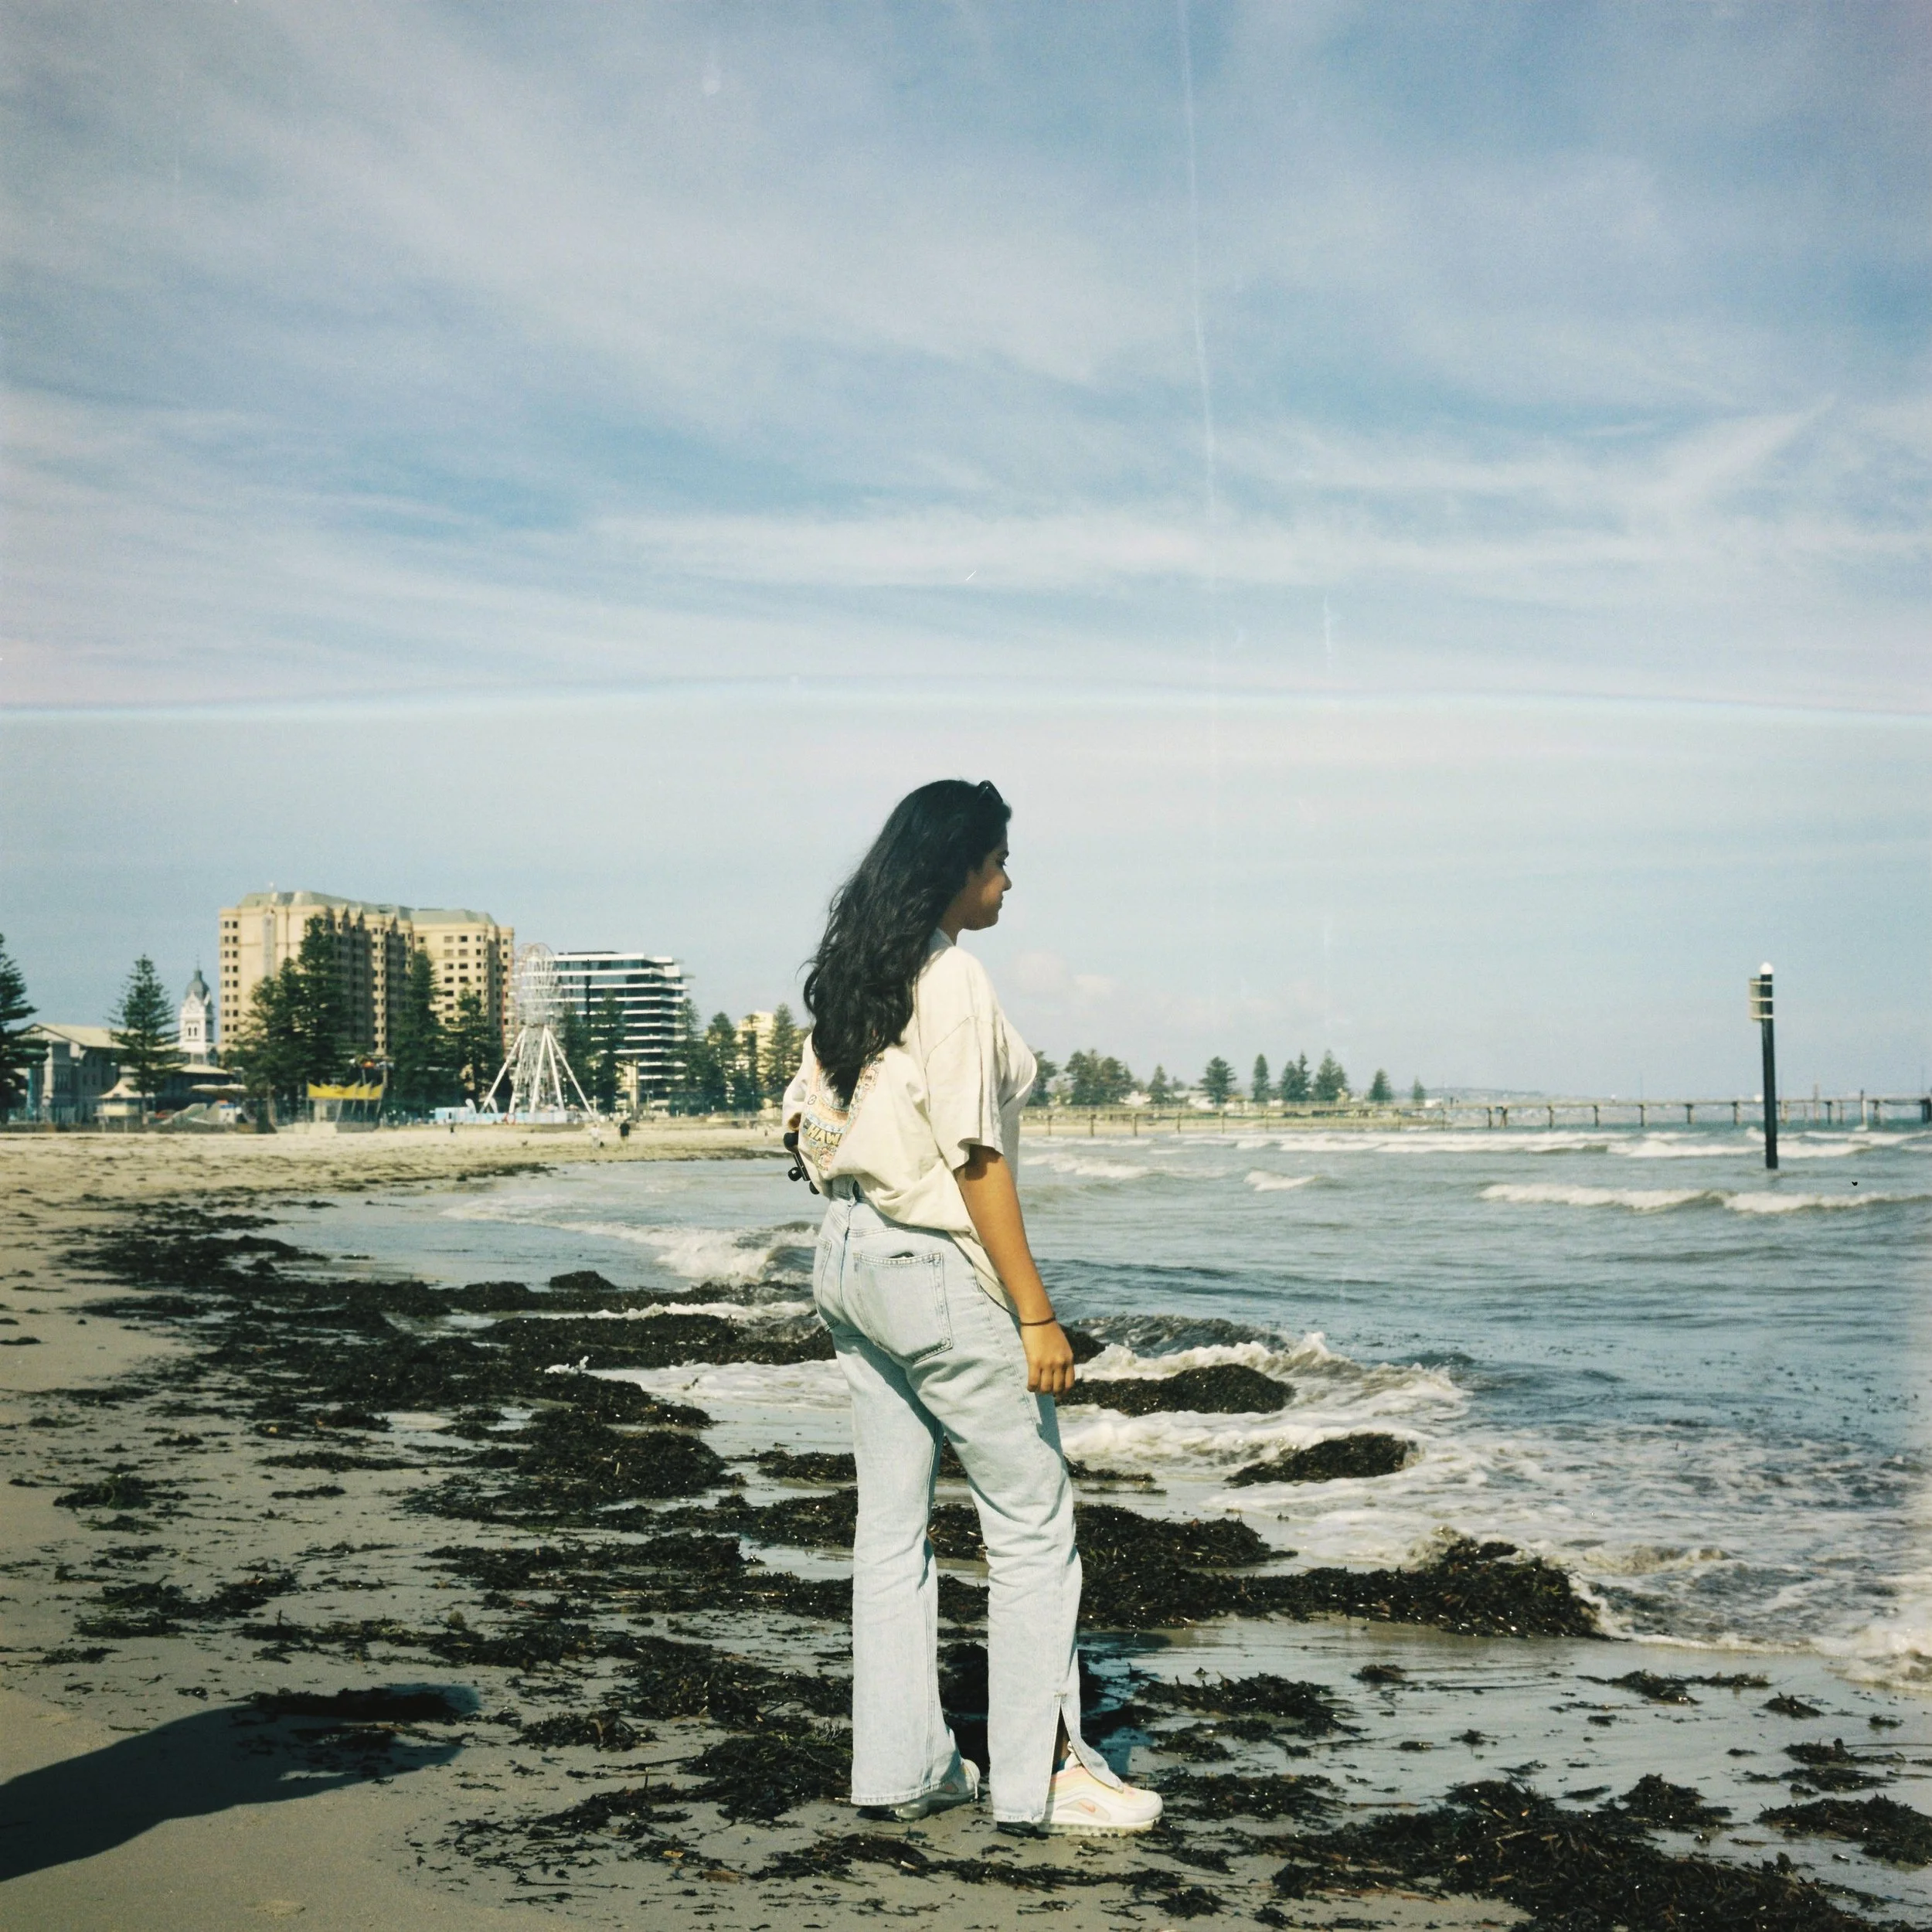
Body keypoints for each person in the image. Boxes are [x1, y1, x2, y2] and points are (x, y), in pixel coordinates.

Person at [784, 779, 1162, 1835]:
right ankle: (1046, 1778)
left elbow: (813, 1134)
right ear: (954, 868)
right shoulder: (949, 976)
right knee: (1032, 1522)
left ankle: (903, 1769)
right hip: (932, 1267)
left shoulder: (858, 976)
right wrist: (1036, 1315)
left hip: (849, 1255)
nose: (1006, 880)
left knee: (890, 1528)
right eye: (996, 861)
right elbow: (975, 1156)